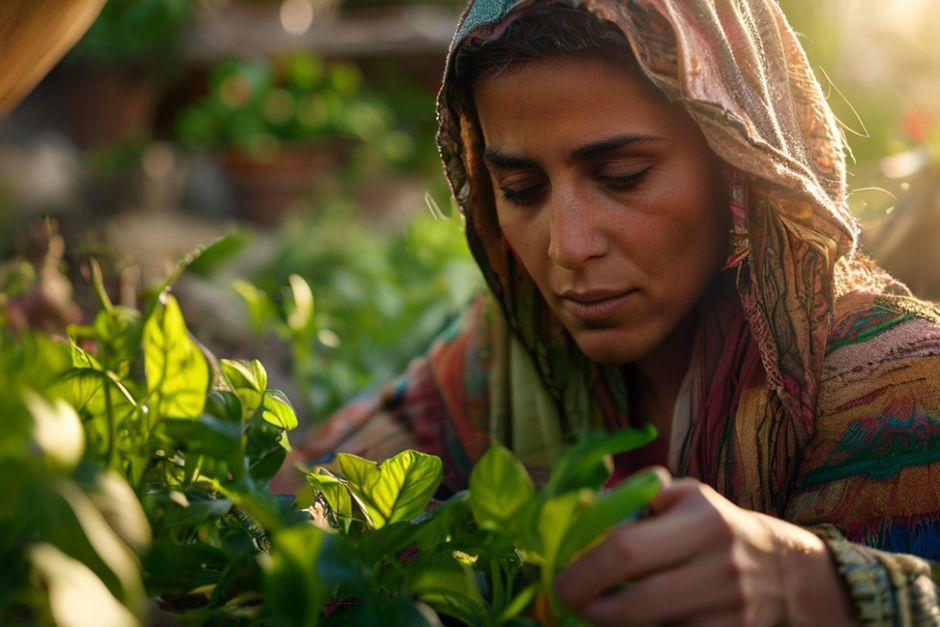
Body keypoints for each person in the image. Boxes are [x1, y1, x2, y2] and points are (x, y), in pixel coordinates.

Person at [276, 0, 940, 623]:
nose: (568, 246)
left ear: (735, 165)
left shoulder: (903, 386)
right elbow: (313, 481)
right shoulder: (509, 360)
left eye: (622, 175)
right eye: (521, 189)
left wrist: (814, 585)